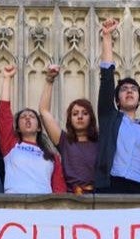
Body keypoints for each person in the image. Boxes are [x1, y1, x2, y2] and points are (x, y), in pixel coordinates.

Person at [96, 18, 140, 194]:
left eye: (134, 89)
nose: (129, 91)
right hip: (112, 186)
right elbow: (107, 80)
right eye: (124, 89)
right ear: (117, 99)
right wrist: (107, 37)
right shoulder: (110, 119)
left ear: (139, 99)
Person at [0, 64, 66, 194]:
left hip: (43, 207)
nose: (27, 119)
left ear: (39, 127)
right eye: (23, 117)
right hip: (15, 205)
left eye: (32, 117)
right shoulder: (10, 144)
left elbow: (59, 189)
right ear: (17, 127)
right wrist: (7, 79)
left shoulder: (52, 157)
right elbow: (3, 114)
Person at [39, 64, 98, 194]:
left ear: (91, 118)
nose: (80, 117)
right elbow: (44, 111)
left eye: (85, 113)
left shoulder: (100, 143)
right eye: (75, 114)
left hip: (98, 197)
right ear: (70, 119)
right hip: (71, 198)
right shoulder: (65, 141)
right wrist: (49, 80)